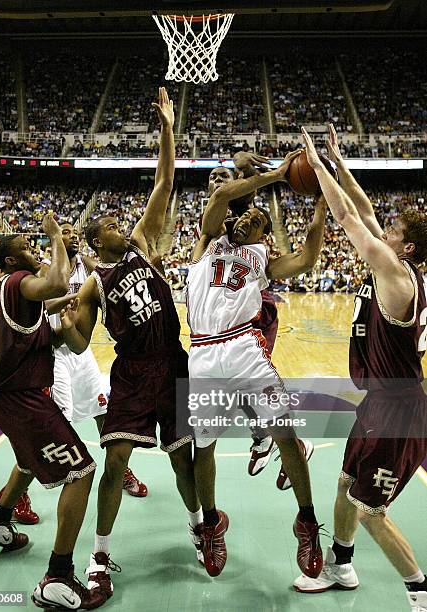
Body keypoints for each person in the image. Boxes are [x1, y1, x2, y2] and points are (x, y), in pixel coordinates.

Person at [59, 88, 201, 598]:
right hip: (134, 372)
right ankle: (98, 553)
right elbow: (78, 345)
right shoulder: (94, 284)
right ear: (99, 243)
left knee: (181, 459)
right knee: (116, 460)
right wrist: (61, 323)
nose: (125, 225)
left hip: (174, 364)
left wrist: (167, 126)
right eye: (114, 225)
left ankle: (197, 524)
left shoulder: (141, 245)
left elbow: (165, 181)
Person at [295, 125, 427, 612]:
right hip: (375, 403)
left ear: (407, 250)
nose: (382, 232)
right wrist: (339, 160)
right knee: (347, 485)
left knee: (372, 511)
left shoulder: (396, 276)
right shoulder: (394, 266)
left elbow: (350, 217)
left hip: (401, 412)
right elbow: (366, 210)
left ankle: (420, 590)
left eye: (393, 234)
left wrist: (317, 164)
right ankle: (341, 563)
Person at [187, 149, 327, 578]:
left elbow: (306, 259)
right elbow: (223, 196)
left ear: (266, 235)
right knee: (203, 447)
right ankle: (211, 523)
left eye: (259, 223)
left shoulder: (263, 259)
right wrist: (278, 173)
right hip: (204, 354)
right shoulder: (209, 237)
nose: (249, 221)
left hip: (245, 351)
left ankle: (307, 521)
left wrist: (321, 206)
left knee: (285, 434)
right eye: (247, 218)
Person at [0, 214, 107, 610]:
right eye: (26, 250)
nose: (34, 253)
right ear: (13, 262)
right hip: (19, 397)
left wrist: (72, 303)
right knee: (81, 471)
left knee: (30, 461)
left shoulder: (13, 294)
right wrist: (54, 238)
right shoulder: (17, 282)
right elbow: (56, 283)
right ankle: (58, 577)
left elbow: (57, 306)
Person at [0, 224, 148, 524]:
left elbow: (107, 281)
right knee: (51, 426)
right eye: (64, 232)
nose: (71, 234)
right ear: (57, 242)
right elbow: (42, 303)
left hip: (80, 350)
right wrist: (67, 302)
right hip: (52, 355)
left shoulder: (89, 266)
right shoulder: (45, 270)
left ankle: (120, 469)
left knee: (104, 410)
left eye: (74, 232)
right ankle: (17, 495)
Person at [230, 152, 315, 482]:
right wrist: (242, 161)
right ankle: (269, 437)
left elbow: (241, 185)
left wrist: (248, 168)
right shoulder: (214, 221)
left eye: (223, 178)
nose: (215, 183)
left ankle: (289, 443)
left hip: (255, 312)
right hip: (225, 318)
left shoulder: (238, 218)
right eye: (212, 178)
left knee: (256, 386)